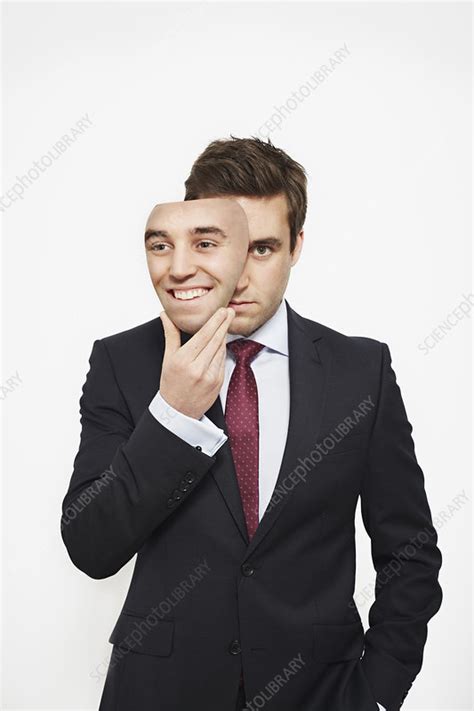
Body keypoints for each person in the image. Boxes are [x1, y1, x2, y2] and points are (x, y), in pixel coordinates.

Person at [61, 138, 442, 711]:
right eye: (220, 246)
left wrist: (378, 694)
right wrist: (172, 415)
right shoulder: (125, 362)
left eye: (261, 248)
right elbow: (91, 547)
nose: (237, 275)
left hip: (320, 694)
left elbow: (410, 551)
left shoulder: (361, 371)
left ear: (296, 247)